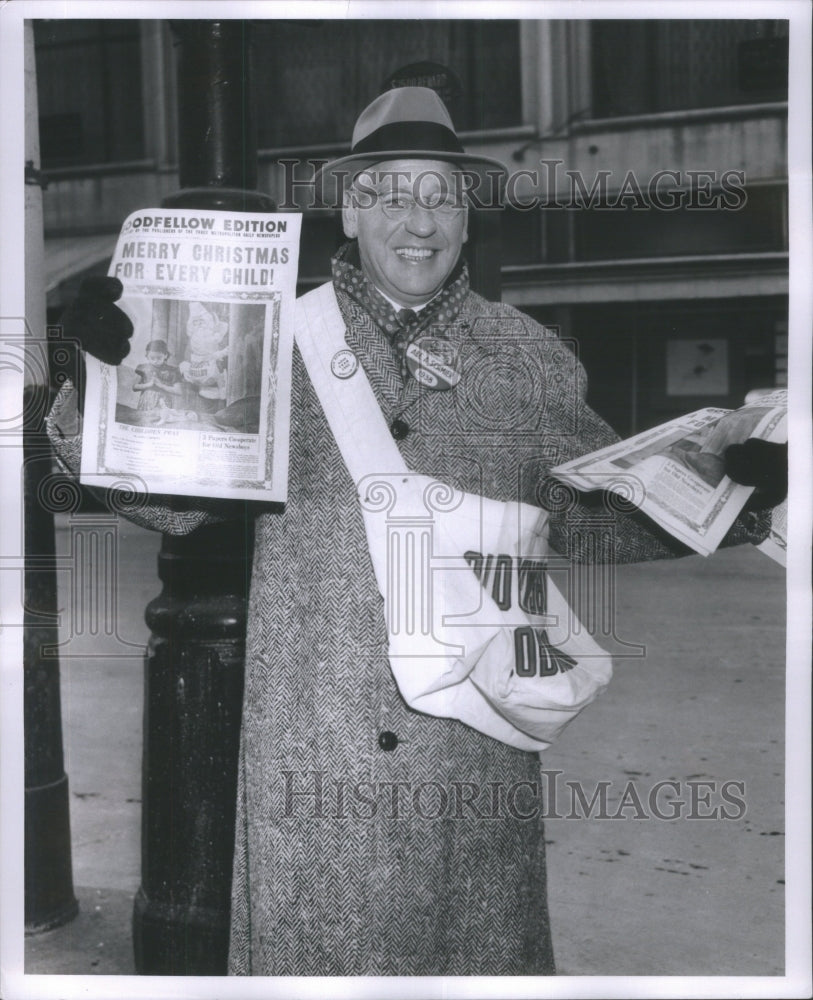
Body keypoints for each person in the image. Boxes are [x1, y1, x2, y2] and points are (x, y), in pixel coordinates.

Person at [47, 87, 784, 976]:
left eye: (441, 197)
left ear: (467, 220)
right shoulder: (269, 342)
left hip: (470, 739)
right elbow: (175, 503)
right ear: (352, 211)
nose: (419, 221)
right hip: (315, 743)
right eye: (393, 194)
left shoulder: (527, 357)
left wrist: (735, 498)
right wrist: (96, 387)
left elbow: (590, 522)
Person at [132, 339, 183, 413]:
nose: (155, 361)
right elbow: (134, 387)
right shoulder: (142, 368)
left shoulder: (173, 370)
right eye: (152, 358)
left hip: (164, 403)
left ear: (165, 355)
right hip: (146, 402)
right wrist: (149, 385)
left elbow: (179, 391)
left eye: (159, 358)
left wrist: (161, 385)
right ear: (147, 356)